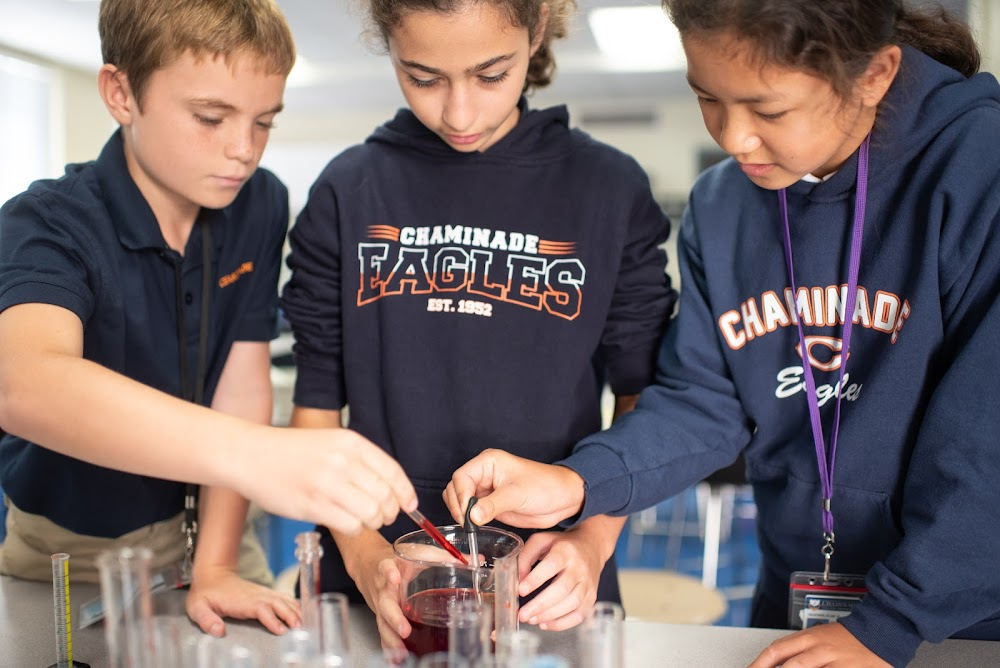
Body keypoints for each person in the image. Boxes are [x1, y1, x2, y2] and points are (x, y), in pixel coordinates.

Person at [445, 1, 1000, 666]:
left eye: (768, 111)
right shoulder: (723, 204)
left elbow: (987, 442)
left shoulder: (979, 171)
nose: (734, 139)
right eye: (706, 96)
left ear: (875, 74)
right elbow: (705, 400)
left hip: (959, 615)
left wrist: (890, 620)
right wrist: (577, 482)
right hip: (797, 594)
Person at [0, 0, 416, 639]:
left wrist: (217, 563)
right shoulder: (48, 222)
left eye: (264, 122)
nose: (242, 150)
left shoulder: (259, 203)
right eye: (210, 118)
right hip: (76, 550)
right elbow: (23, 383)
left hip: (217, 528)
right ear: (121, 92)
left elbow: (241, 384)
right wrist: (260, 456)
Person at [278, 0, 676, 650]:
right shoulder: (349, 190)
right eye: (423, 76)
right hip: (376, 594)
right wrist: (363, 557)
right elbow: (314, 420)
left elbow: (643, 401)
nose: (459, 112)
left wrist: (592, 539)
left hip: (549, 586)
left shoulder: (608, 189)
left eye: (490, 74)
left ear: (536, 30)